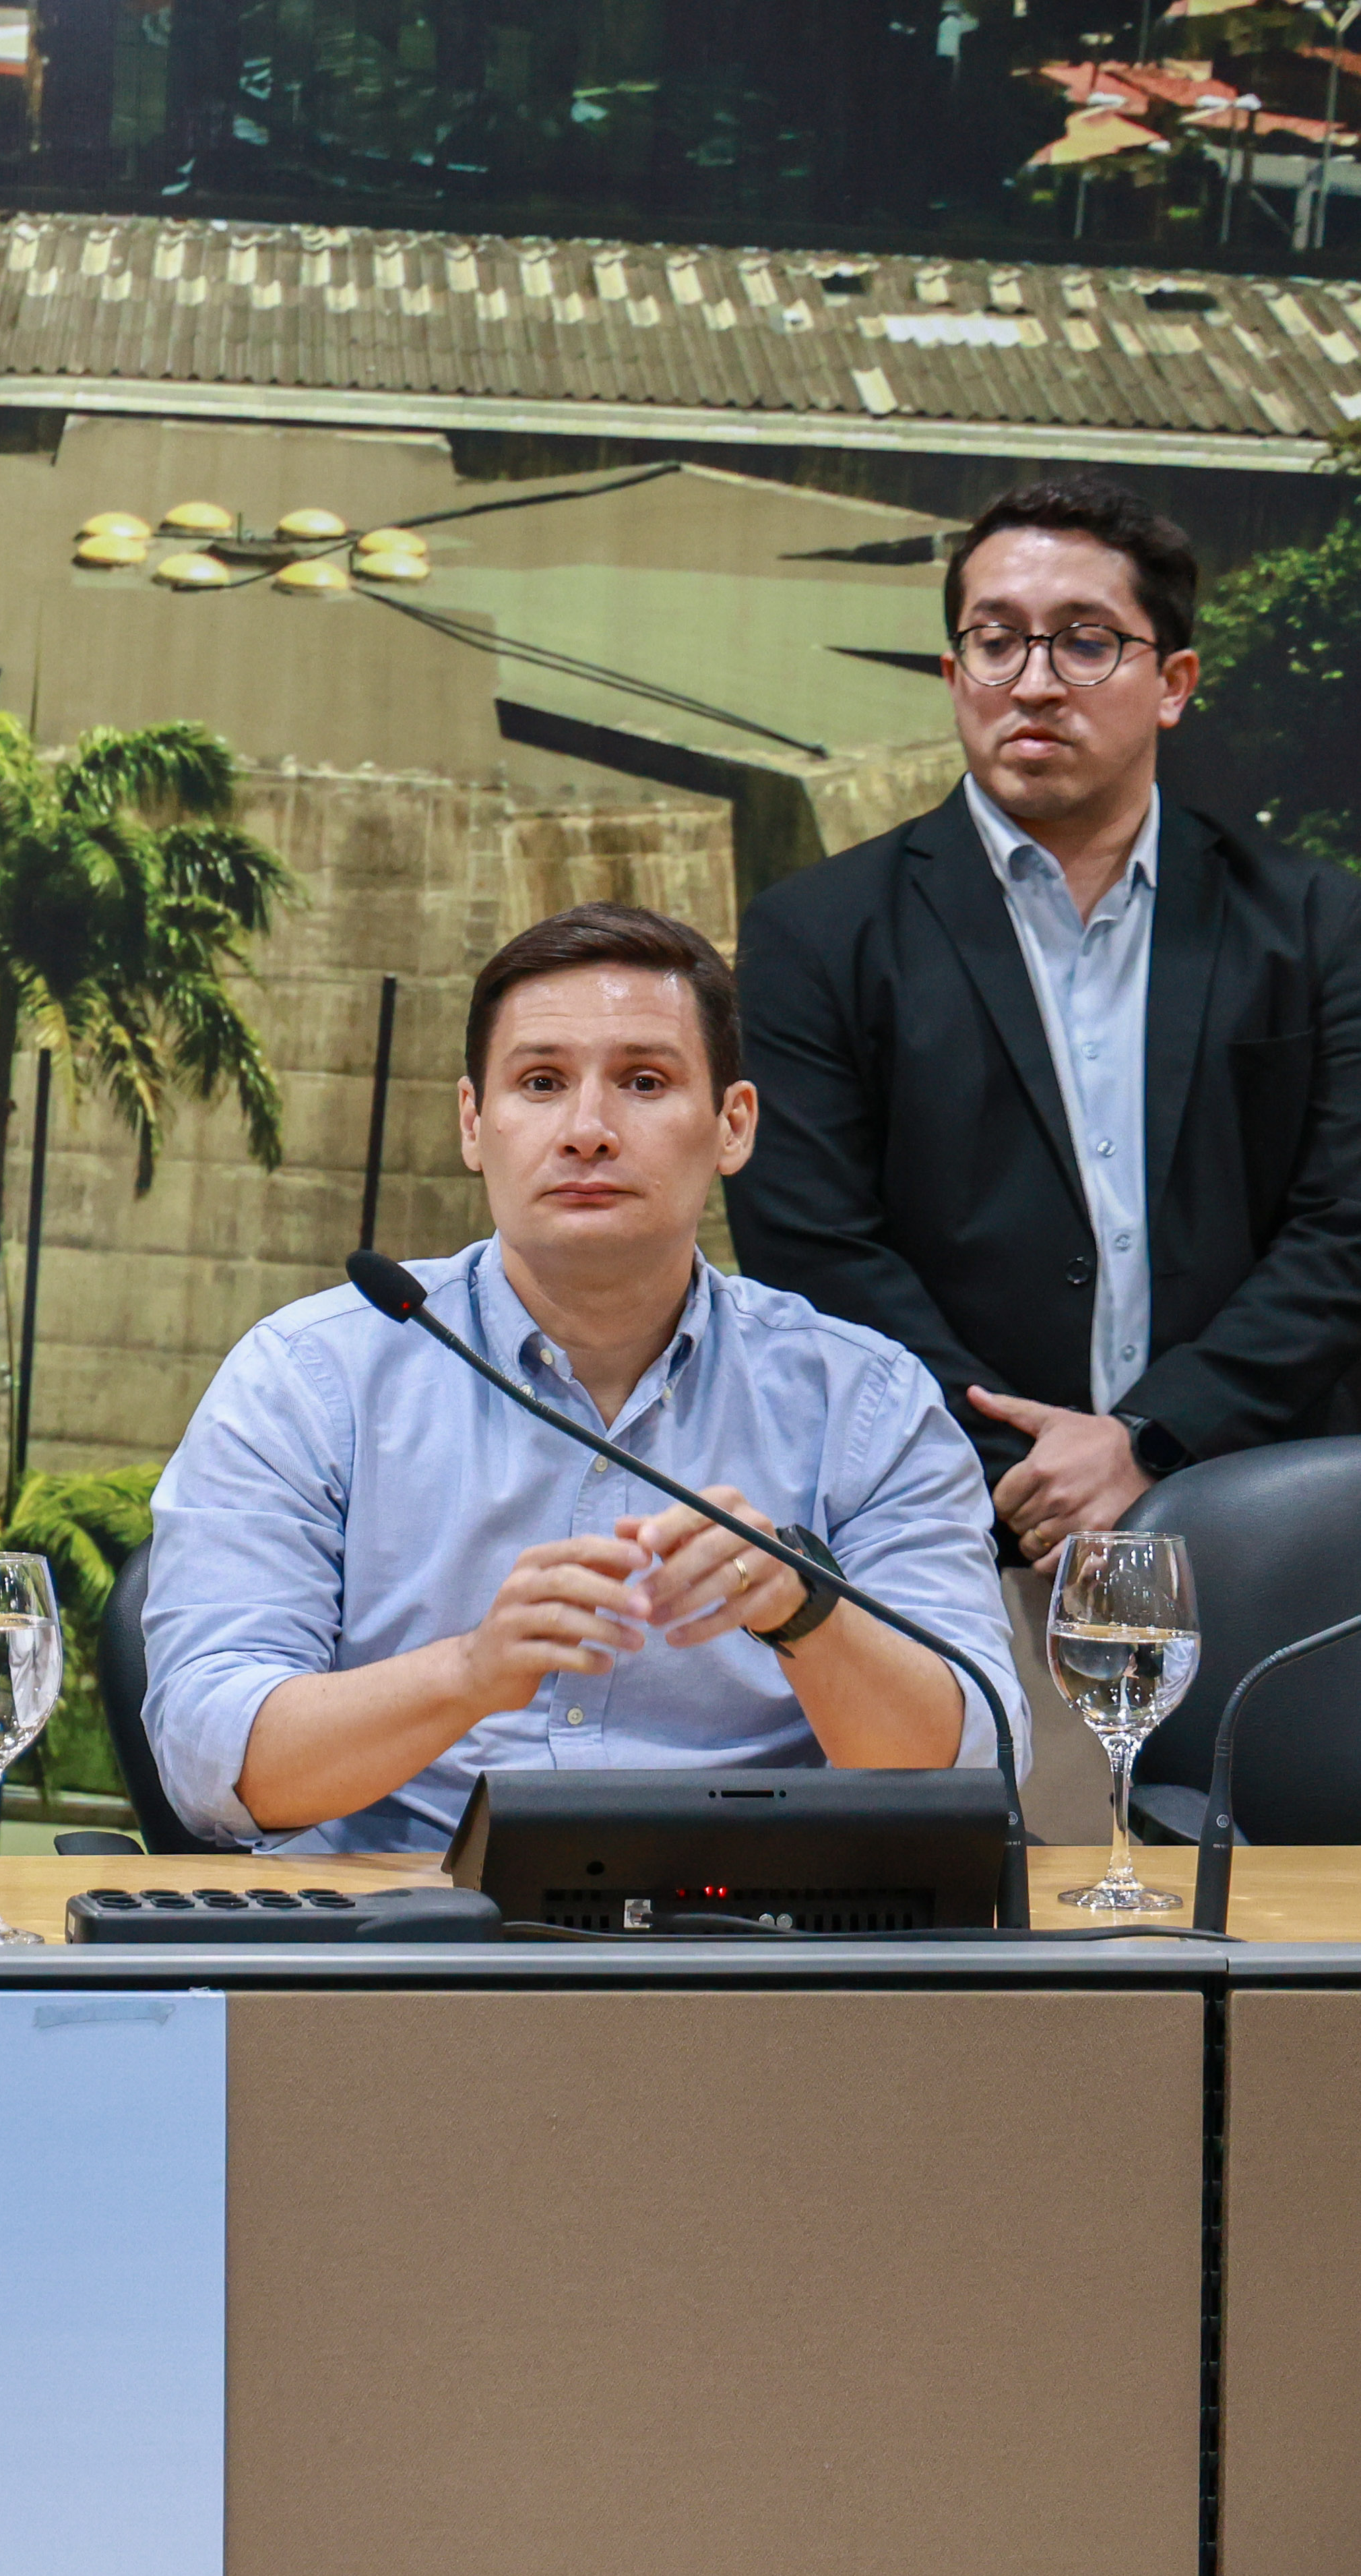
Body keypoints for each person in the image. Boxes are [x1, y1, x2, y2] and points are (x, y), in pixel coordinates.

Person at [730, 474, 1361, 1832]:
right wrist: (1034, 1472)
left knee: (1275, 1923)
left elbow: (1343, 1229)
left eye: (1084, 641)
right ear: (951, 672)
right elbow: (814, 1247)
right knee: (1016, 1927)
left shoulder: (1315, 926)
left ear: (1171, 680)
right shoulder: (815, 936)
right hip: (953, 1547)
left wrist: (1150, 1440)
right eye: (995, 640)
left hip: (1261, 1555)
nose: (1032, 680)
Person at [142, 904, 1019, 1853]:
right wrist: (468, 1673)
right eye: (541, 1083)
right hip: (398, 1917)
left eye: (643, 1081)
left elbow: (972, 1762)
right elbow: (208, 1758)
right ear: (473, 1124)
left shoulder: (866, 1401)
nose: (587, 1130)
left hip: (755, 1922)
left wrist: (802, 1609)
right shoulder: (311, 1376)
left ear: (732, 1126)